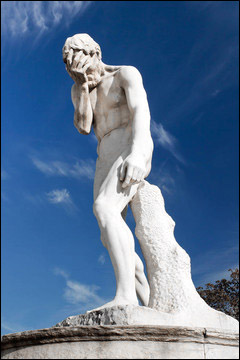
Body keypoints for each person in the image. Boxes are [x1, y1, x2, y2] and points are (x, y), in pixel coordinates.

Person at [63, 34, 153, 311]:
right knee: (107, 232)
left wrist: (138, 153)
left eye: (79, 60)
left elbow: (141, 113)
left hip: (131, 145)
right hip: (105, 155)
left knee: (105, 208)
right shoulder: (79, 88)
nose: (76, 67)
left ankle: (125, 297)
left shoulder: (125, 74)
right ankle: (151, 302)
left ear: (94, 53)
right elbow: (83, 126)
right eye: (69, 64)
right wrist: (82, 87)